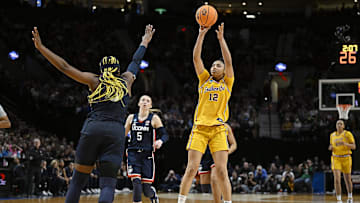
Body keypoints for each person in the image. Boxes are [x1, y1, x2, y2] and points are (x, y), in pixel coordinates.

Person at [32, 24, 155, 203]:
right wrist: (145, 41)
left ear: (101, 69)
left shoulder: (94, 81)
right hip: (115, 133)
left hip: (93, 129)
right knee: (107, 185)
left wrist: (42, 48)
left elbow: (65, 67)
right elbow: (135, 61)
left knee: (77, 182)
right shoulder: (127, 80)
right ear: (118, 70)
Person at [178, 22, 234, 203]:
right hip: (200, 128)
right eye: (213, 65)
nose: (214, 67)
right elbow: (196, 58)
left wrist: (221, 39)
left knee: (221, 171)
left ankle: (227, 202)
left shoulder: (227, 83)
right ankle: (181, 201)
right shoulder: (204, 80)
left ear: (224, 70)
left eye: (218, 65)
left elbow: (229, 61)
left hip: (218, 129)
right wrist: (201, 35)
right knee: (191, 168)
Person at [124, 95, 169, 203]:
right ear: (139, 103)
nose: (145, 102)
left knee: (146, 190)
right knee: (136, 182)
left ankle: (152, 194)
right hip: (133, 153)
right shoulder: (131, 118)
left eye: (148, 101)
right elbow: (123, 135)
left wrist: (160, 141)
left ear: (150, 105)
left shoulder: (154, 118)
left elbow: (165, 135)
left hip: (147, 156)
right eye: (143, 100)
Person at [198, 123, 237, 203]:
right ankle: (220, 196)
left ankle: (224, 200)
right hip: (205, 155)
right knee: (205, 187)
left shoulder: (225, 126)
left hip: (218, 153)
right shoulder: (203, 124)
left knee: (214, 178)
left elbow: (233, 144)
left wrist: (227, 153)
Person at [328, 119, 356, 203]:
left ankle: (350, 196)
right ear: (336, 126)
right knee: (336, 179)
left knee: (347, 179)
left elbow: (354, 146)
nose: (339, 125)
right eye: (337, 124)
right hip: (336, 158)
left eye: (340, 124)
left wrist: (345, 144)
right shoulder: (332, 135)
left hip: (346, 158)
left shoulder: (347, 134)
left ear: (343, 126)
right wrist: (330, 148)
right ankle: (339, 199)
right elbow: (330, 146)